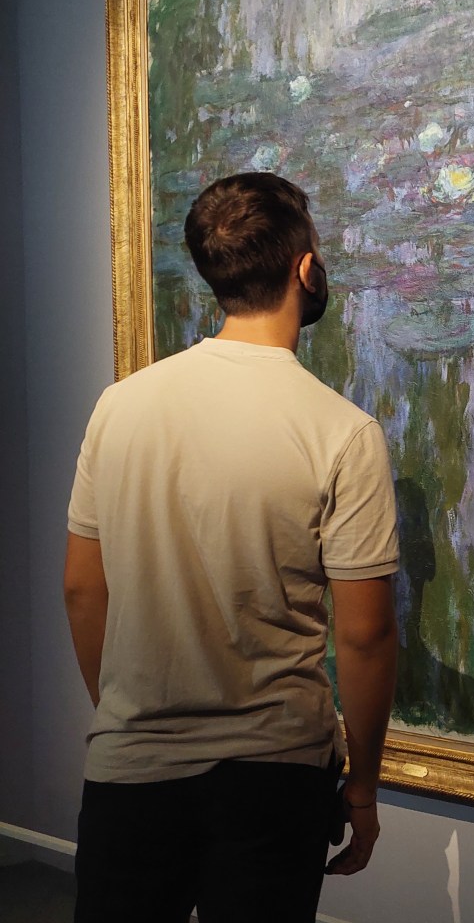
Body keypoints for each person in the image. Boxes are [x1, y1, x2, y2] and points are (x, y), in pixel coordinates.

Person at [63, 172, 399, 923]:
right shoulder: (342, 431)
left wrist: (127, 713)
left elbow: (83, 589)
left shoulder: (119, 407)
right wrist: (364, 787)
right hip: (274, 775)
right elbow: (366, 635)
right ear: (306, 270)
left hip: (129, 767)